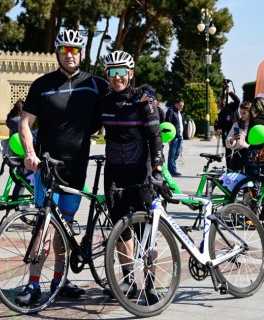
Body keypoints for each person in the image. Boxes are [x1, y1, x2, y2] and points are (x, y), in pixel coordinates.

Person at [17, 29, 109, 305]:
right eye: (65, 50)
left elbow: (120, 104)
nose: (70, 55)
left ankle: (59, 279)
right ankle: (33, 284)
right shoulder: (42, 84)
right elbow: (24, 123)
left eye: (75, 50)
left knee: (64, 227)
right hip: (46, 167)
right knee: (44, 226)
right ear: (57, 52)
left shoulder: (95, 84)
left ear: (81, 53)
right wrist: (30, 154)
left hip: (76, 168)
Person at [100, 50, 163, 304]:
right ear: (108, 75)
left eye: (122, 72)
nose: (118, 77)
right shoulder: (103, 101)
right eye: (113, 72)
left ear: (131, 73)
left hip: (141, 172)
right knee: (121, 231)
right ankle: (127, 282)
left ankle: (150, 285)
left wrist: (157, 170)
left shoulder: (143, 100)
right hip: (114, 173)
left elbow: (155, 138)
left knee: (147, 232)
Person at [245, 97, 264, 220]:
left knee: (253, 180)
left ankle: (253, 209)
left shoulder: (254, 121)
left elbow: (248, 139)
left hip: (255, 153)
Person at [215, 84, 241, 168]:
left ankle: (237, 168)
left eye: (221, 103)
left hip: (236, 131)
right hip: (226, 133)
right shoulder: (222, 111)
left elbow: (237, 100)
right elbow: (220, 122)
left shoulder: (232, 107)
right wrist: (217, 128)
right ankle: (229, 169)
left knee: (238, 151)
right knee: (228, 153)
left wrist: (229, 92)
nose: (220, 105)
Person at [225, 101, 252, 172]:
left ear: (250, 113)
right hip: (237, 153)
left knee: (248, 177)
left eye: (244, 113)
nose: (242, 115)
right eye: (240, 113)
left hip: (249, 153)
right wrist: (232, 139)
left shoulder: (253, 124)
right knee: (235, 178)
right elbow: (228, 141)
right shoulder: (236, 124)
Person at [165, 98, 184, 176]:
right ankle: (171, 171)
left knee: (177, 153)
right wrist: (169, 137)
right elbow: (168, 124)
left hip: (180, 136)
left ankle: (174, 169)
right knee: (172, 154)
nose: (182, 107)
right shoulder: (171, 111)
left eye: (182, 105)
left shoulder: (178, 111)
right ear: (176, 104)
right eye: (180, 105)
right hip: (174, 137)